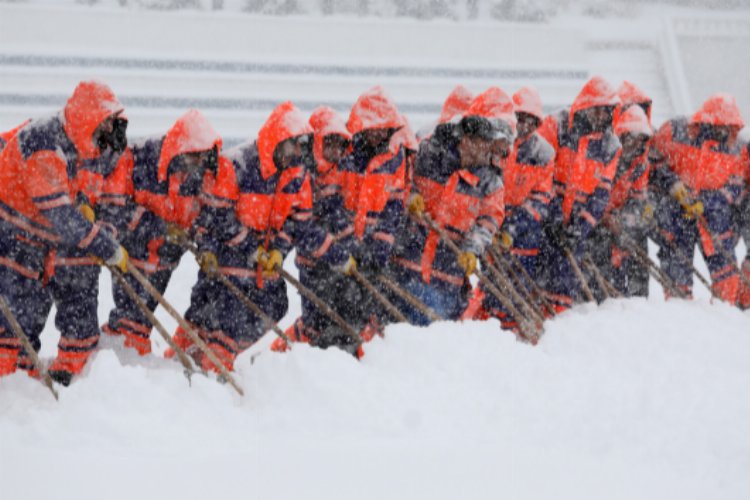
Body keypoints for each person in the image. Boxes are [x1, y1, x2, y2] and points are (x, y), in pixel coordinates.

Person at [172, 102, 352, 371]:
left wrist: (279, 248)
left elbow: (298, 222)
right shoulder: (237, 165)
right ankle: (205, 362)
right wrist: (248, 248)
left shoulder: (296, 175)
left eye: (301, 144)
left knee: (274, 304)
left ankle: (212, 352)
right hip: (226, 254)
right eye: (294, 144)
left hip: (263, 260)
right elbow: (217, 216)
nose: (298, 151)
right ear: (278, 141)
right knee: (224, 313)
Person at [0, 81, 128, 378]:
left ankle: (25, 380)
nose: (109, 129)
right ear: (88, 115)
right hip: (10, 238)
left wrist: (82, 201)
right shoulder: (43, 142)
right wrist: (107, 247)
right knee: (10, 321)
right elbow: (59, 213)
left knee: (30, 315)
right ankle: (7, 391)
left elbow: (73, 192)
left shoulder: (76, 145)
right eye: (106, 120)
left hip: (37, 243)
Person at [102, 109, 223, 356]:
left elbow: (205, 219)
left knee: (141, 320)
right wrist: (160, 228)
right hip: (133, 253)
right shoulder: (141, 158)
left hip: (166, 260)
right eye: (193, 157)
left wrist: (205, 248)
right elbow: (118, 207)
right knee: (132, 318)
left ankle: (117, 356)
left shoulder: (204, 178)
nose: (197, 165)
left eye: (202, 158)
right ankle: (121, 361)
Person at [390, 87, 513, 325]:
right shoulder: (427, 153)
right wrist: (409, 196)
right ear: (466, 141)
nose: (486, 152)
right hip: (407, 261)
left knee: (436, 326)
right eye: (481, 144)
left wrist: (472, 249)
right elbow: (399, 179)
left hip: (447, 273)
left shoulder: (491, 180)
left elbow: (489, 219)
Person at [536, 76, 622, 313]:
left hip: (575, 227)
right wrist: (552, 218)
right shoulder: (556, 125)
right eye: (598, 110)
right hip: (541, 218)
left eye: (607, 112)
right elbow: (542, 175)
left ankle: (557, 327)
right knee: (532, 276)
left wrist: (580, 228)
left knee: (565, 282)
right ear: (586, 105)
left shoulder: (610, 146)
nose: (602, 117)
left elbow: (600, 196)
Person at [650, 94, 745, 302]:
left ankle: (725, 310)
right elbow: (653, 159)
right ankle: (679, 308)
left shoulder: (738, 148)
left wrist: (708, 202)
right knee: (676, 266)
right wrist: (673, 184)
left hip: (715, 218)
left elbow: (736, 184)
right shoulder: (674, 131)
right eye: (721, 126)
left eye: (729, 127)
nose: (725, 131)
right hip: (676, 213)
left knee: (726, 272)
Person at [474, 86, 555, 329]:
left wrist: (513, 227)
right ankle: (490, 320)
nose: (525, 125)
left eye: (532, 121)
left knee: (521, 277)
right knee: (491, 278)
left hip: (524, 228)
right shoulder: (498, 145)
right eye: (521, 118)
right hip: (493, 219)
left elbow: (540, 199)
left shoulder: (543, 153)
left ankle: (511, 322)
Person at [588, 104, 653, 299]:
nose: (633, 145)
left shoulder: (641, 165)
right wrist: (604, 216)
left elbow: (638, 198)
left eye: (639, 140)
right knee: (601, 244)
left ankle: (638, 297)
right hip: (593, 217)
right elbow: (588, 192)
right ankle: (602, 296)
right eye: (630, 138)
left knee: (637, 239)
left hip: (617, 217)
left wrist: (625, 219)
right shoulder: (603, 156)